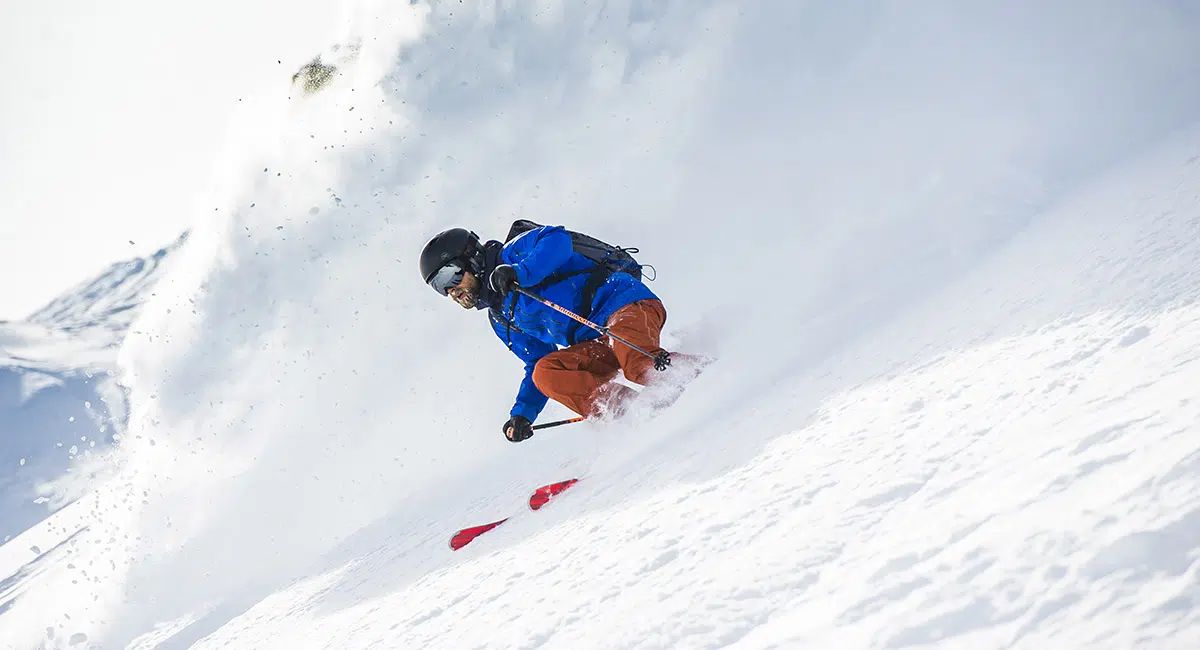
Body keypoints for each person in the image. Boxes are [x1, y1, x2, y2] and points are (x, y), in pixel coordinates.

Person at [419, 224, 698, 443]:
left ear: (472, 260)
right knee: (546, 373)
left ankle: (703, 376)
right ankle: (630, 413)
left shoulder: (514, 253)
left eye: (450, 276)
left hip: (623, 304)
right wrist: (522, 414)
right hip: (596, 342)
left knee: (639, 367)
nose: (450, 290)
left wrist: (519, 273)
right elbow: (535, 362)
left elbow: (557, 239)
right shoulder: (501, 316)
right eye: (439, 287)